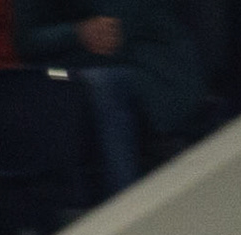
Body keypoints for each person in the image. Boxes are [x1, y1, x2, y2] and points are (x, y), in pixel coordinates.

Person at [12, 0, 204, 197]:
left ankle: (127, 199)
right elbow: (27, 41)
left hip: (152, 63)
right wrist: (77, 32)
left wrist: (83, 36)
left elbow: (119, 28)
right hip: (77, 69)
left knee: (102, 84)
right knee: (45, 87)